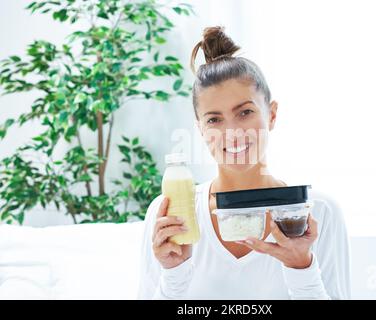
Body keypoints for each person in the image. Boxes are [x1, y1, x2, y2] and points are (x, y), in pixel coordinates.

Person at [138, 26, 351, 300]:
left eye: (245, 112)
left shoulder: (319, 212)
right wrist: (173, 274)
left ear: (271, 115)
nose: (232, 132)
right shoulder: (170, 215)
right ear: (201, 129)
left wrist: (301, 268)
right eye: (214, 119)